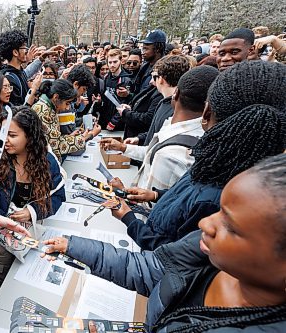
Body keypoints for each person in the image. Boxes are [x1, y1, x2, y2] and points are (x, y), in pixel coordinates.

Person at [42, 153, 286, 332]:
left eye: (230, 226)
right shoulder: (203, 249)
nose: (205, 224)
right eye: (220, 210)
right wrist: (73, 246)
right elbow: (148, 268)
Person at [107, 61, 286, 250]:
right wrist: (155, 195)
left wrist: (129, 219)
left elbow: (169, 252)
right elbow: (183, 198)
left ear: (207, 112)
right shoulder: (216, 161)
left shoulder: (209, 187)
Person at [0, 106, 66, 286]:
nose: (5, 141)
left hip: (31, 234)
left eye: (12, 135)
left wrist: (33, 211)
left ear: (30, 136)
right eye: (2, 134)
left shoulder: (47, 161)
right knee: (0, 275)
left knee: (29, 274)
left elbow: (57, 196)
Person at [101, 65, 219, 199]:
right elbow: (153, 153)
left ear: (176, 94)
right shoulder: (175, 125)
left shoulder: (170, 156)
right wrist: (124, 148)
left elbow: (151, 205)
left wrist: (122, 192)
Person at [32, 79, 96, 162]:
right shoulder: (44, 111)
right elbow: (56, 147)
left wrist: (70, 137)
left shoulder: (47, 107)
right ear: (56, 97)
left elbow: (53, 139)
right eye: (67, 103)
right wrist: (87, 136)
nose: (67, 108)